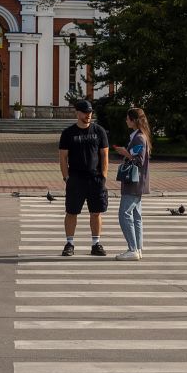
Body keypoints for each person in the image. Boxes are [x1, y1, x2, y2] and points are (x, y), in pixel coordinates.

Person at [59, 99, 110, 257]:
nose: (88, 115)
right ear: (78, 113)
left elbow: (104, 155)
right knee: (71, 212)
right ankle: (69, 244)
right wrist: (66, 177)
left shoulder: (99, 131)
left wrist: (103, 176)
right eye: (85, 113)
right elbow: (63, 158)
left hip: (95, 179)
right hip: (75, 178)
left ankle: (96, 244)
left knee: (96, 212)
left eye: (90, 113)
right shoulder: (68, 133)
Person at [112, 106, 152, 260]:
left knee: (124, 214)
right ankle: (138, 249)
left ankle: (132, 249)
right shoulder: (139, 136)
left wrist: (125, 153)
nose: (126, 120)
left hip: (134, 182)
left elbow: (139, 161)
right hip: (137, 182)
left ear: (134, 120)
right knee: (136, 216)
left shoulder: (139, 138)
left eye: (128, 118)